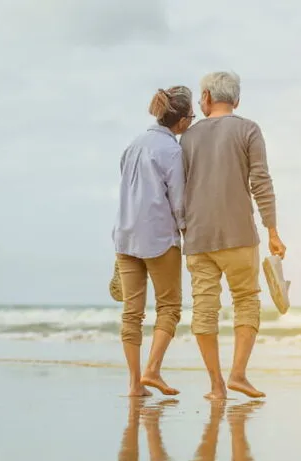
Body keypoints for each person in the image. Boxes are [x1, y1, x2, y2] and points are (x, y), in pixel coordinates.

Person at [180, 71, 286, 400]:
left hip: (198, 237)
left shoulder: (188, 137)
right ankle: (238, 375)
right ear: (236, 100)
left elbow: (177, 189)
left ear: (208, 98)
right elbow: (261, 182)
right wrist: (272, 230)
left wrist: (182, 229)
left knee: (204, 308)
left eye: (201, 97)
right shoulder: (248, 129)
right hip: (239, 232)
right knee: (246, 301)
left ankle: (216, 385)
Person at [112, 86, 195, 397]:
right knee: (170, 307)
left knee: (132, 312)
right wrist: (187, 231)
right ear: (183, 121)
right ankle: (153, 370)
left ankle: (135, 384)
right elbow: (178, 202)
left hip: (124, 236)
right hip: (158, 237)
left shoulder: (133, 145)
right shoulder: (171, 152)